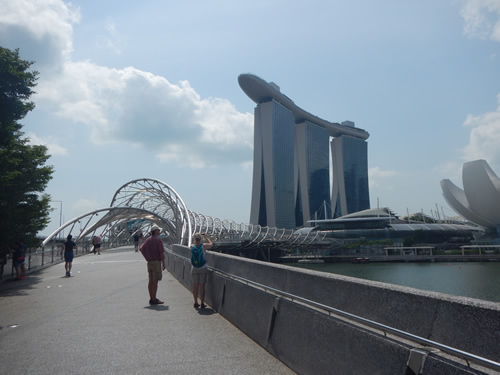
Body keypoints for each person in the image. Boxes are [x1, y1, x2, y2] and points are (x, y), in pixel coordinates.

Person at [139, 226, 166, 305]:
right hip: (156, 262)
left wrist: (147, 258)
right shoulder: (158, 240)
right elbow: (161, 253)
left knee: (151, 280)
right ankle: (154, 299)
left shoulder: (148, 240)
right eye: (158, 230)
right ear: (155, 231)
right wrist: (163, 263)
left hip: (150, 263)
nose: (159, 231)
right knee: (155, 281)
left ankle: (151, 298)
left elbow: (141, 249)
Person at [191, 233, 212, 309]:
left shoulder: (192, 246)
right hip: (203, 268)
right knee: (202, 286)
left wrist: (195, 239)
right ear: (200, 239)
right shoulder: (203, 246)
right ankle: (202, 303)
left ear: (195, 239)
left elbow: (194, 244)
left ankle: (196, 302)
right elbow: (211, 244)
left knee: (195, 286)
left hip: (194, 268)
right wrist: (206, 237)